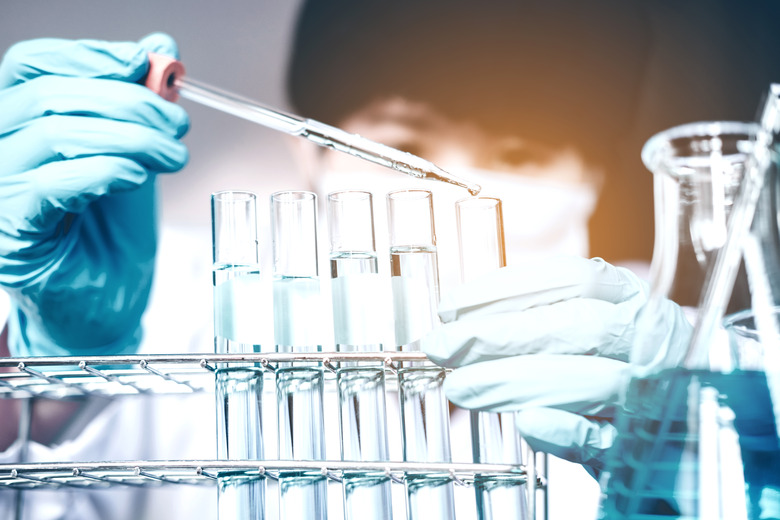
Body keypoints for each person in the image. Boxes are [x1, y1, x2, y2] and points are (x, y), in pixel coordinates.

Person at [1, 0, 780, 518]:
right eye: (404, 145)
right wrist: (58, 375)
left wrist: (740, 434)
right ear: (313, 158)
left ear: (594, 181)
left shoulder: (672, 349)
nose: (461, 190)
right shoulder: (207, 354)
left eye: (518, 147)